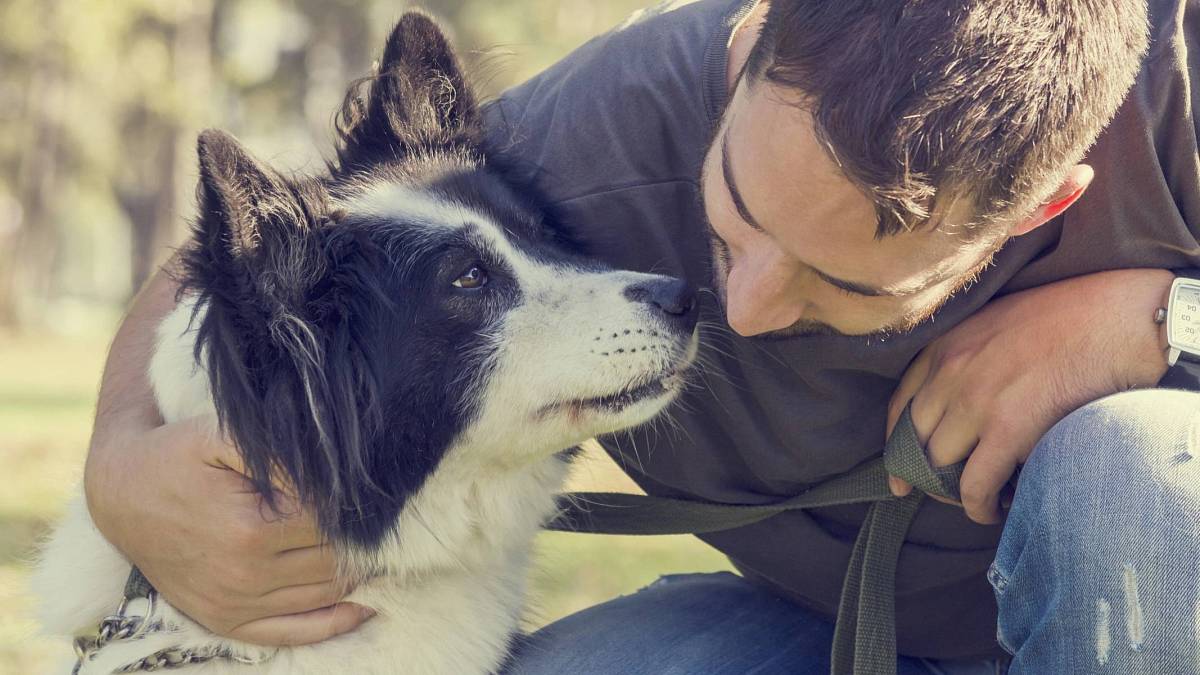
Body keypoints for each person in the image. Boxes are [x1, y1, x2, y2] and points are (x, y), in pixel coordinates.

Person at [83, 0, 1200, 673]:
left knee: (1133, 471)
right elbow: (288, 236)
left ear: (1044, 204)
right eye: (734, 218)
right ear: (751, 39)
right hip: (809, 635)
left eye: (840, 284)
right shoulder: (609, 118)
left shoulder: (1177, 95)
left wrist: (1150, 320)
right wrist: (119, 464)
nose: (746, 310)